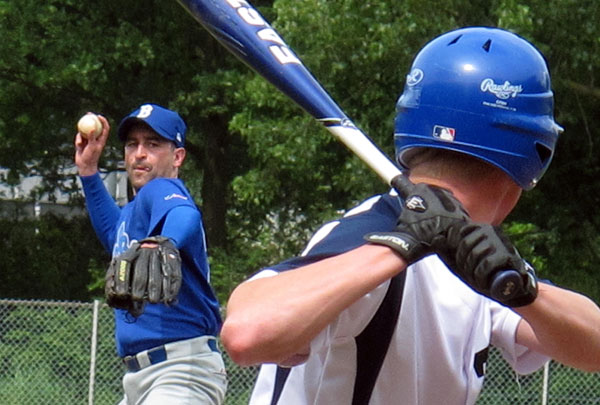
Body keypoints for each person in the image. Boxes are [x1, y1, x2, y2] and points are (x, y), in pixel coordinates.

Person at [219, 27, 600, 404]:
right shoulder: (368, 233)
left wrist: (523, 288)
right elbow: (245, 333)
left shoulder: (478, 254)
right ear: (533, 156)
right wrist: (400, 246)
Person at [74, 103, 227, 404]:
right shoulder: (134, 212)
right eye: (133, 144)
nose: (139, 153)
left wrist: (162, 243)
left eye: (153, 144)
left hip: (181, 372)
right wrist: (89, 171)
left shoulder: (163, 191)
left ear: (178, 156)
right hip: (139, 381)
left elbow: (185, 214)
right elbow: (113, 233)